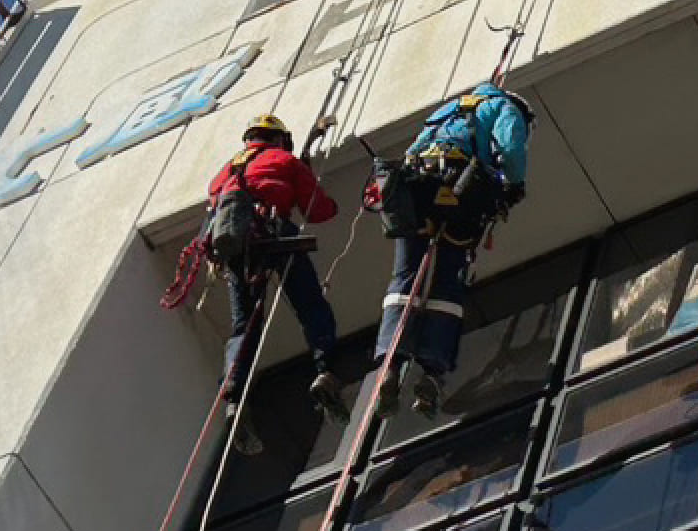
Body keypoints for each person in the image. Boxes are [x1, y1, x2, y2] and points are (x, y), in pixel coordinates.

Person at [368, 79, 534, 413]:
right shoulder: (504, 107)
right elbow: (511, 147)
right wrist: (514, 185)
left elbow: (412, 152)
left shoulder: (444, 113)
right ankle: (433, 369)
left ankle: (392, 364)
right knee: (446, 282)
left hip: (417, 193)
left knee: (405, 276)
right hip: (460, 195)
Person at [205, 112, 365, 416]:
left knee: (245, 323)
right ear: (278, 139)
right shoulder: (283, 160)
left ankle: (234, 395)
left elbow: (214, 219)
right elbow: (317, 210)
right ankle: (324, 370)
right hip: (274, 232)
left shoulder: (223, 175)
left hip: (237, 244)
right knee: (310, 305)